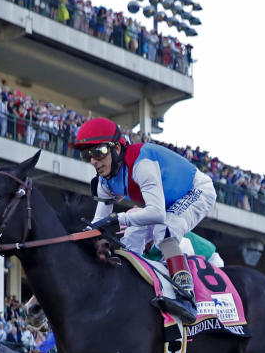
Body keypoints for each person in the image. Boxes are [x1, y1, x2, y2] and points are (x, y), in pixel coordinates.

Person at [72, 117, 216, 323]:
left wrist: (118, 219)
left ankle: (186, 296)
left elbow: (156, 214)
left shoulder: (141, 164)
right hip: (164, 201)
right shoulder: (104, 181)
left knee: (164, 230)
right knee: (131, 237)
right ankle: (126, 289)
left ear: (117, 149)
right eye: (87, 155)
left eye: (99, 152)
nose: (94, 160)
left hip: (196, 190)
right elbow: (97, 224)